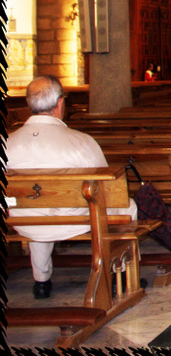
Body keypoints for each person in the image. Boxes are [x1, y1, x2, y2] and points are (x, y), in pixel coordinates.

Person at [6, 75, 137, 300]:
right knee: (127, 206)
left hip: (24, 222)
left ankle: (41, 281)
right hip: (75, 222)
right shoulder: (80, 141)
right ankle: (119, 273)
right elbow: (108, 186)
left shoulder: (7, 143)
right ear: (60, 104)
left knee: (35, 208)